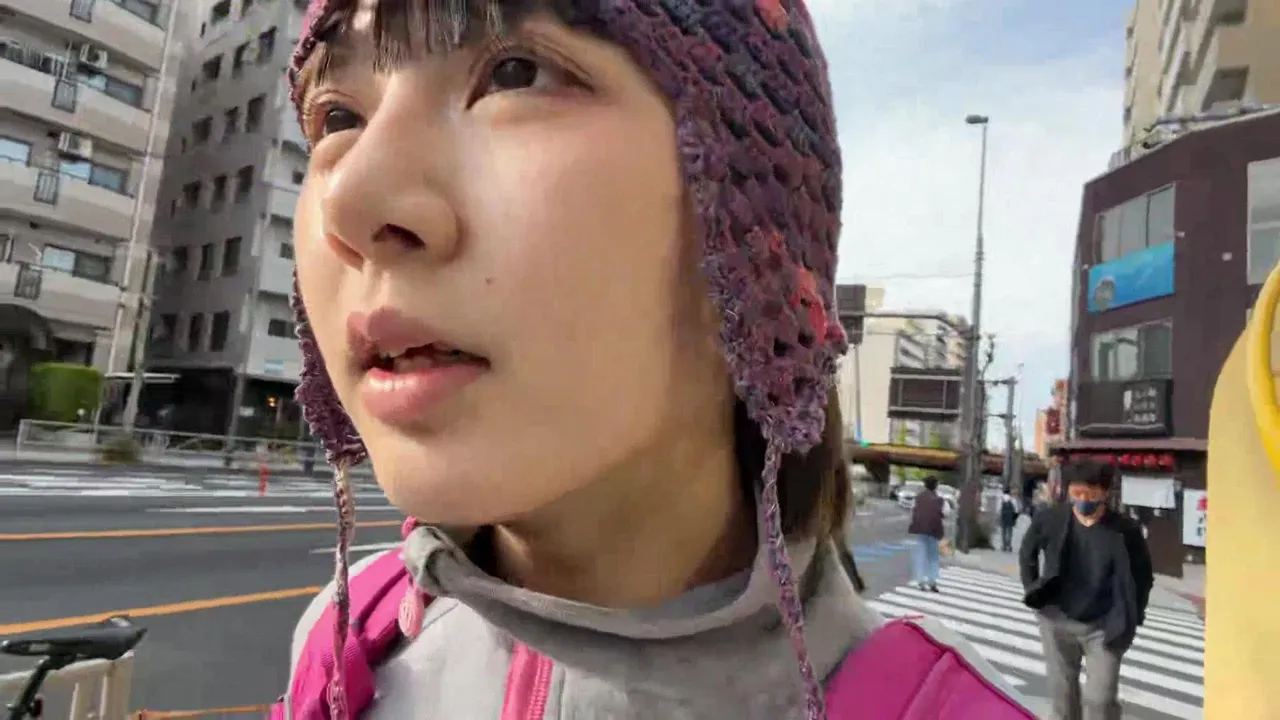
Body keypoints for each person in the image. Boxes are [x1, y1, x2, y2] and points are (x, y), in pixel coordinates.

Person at [280, 1, 1035, 718]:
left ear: (755, 239)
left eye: (515, 74)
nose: (350, 199)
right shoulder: (347, 642)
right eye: (338, 119)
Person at [1019, 460, 1153, 720]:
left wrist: (1133, 612)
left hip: (1104, 626)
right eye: (1076, 493)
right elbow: (1027, 552)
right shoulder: (1051, 518)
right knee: (1063, 697)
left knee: (1100, 699)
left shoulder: (1125, 530)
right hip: (1056, 620)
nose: (1082, 499)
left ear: (1104, 493)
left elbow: (1143, 575)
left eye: (1090, 494)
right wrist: (1033, 588)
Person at [907, 476, 946, 592]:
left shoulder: (918, 497)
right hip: (934, 530)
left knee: (920, 555)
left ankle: (920, 581)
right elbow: (945, 512)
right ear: (936, 486)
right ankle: (932, 581)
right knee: (933, 557)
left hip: (921, 529)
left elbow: (913, 510)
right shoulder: (940, 499)